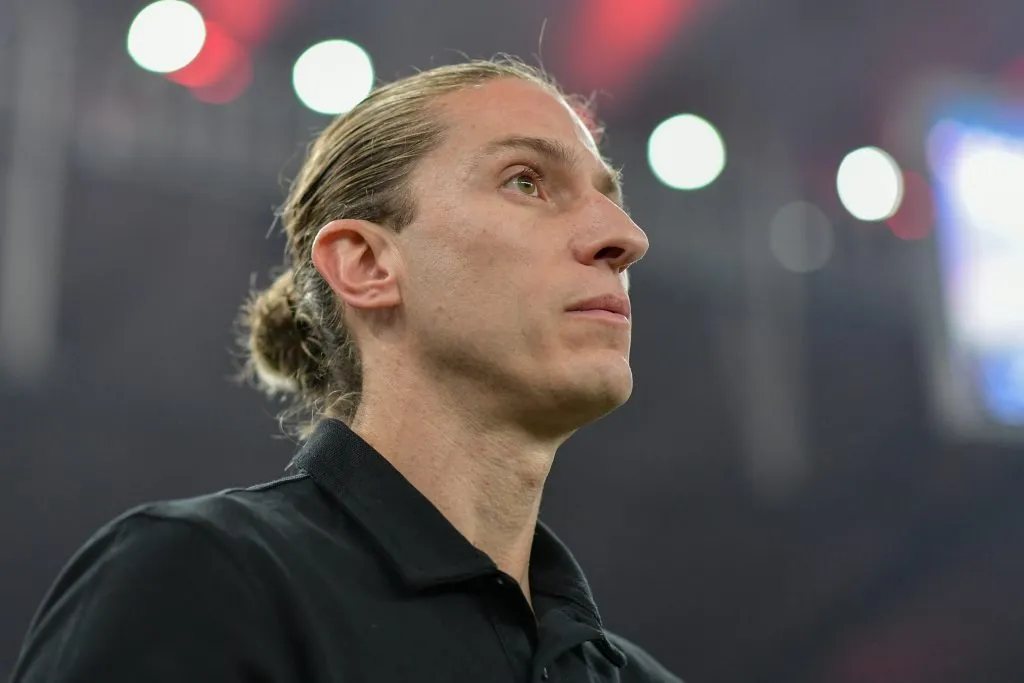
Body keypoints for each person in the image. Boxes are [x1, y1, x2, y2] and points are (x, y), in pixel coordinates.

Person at [11, 57, 680, 683]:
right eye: (526, 181)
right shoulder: (198, 581)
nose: (626, 236)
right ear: (365, 264)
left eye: (608, 196)